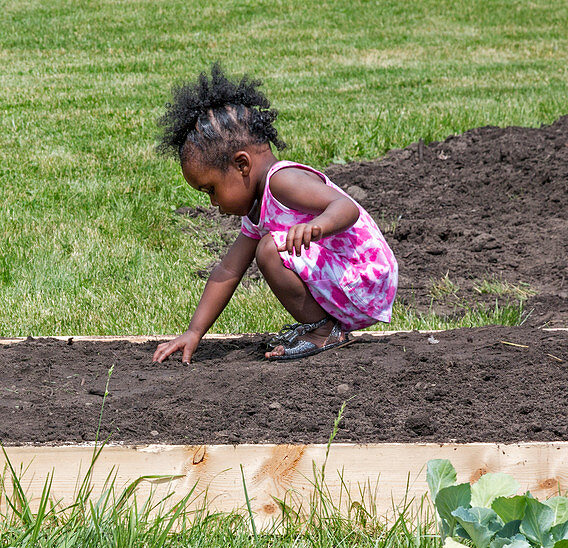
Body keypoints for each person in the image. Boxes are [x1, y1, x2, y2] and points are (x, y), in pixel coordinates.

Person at [151, 64, 398, 364]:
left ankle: (324, 332)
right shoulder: (259, 207)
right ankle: (322, 327)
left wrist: (316, 227)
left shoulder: (283, 181)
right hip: (348, 281)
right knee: (265, 245)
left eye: (211, 189)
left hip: (365, 277)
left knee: (269, 249)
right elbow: (228, 271)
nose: (214, 203)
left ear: (242, 165)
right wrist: (194, 332)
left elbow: (347, 207)